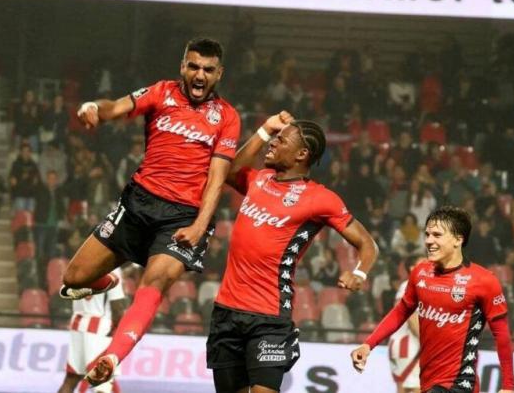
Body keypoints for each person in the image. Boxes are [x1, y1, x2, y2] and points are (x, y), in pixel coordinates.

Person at [60, 38, 241, 386]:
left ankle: (112, 356)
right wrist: (91, 107)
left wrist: (201, 225)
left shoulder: (227, 118)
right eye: (193, 66)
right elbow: (112, 107)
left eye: (207, 69)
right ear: (182, 67)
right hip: (137, 204)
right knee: (73, 279)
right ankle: (110, 280)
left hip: (182, 217)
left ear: (218, 74)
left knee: (153, 282)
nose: (199, 74)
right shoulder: (161, 92)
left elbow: (217, 179)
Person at [207, 113, 378, 393]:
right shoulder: (258, 179)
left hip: (269, 317)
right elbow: (228, 170)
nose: (272, 143)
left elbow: (367, 243)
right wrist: (264, 129)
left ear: (302, 153)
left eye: (281, 140)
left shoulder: (320, 199)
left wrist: (359, 271)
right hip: (226, 311)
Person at [351, 206, 514, 393]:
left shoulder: (484, 281)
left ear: (458, 239)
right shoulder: (420, 273)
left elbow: (501, 334)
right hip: (428, 382)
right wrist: (368, 344)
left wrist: (508, 386)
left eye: (437, 235)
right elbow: (401, 311)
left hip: (460, 382)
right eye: (427, 234)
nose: (429, 241)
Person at [58, 268, 128, 393]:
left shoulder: (80, 264)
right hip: (99, 329)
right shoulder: (113, 271)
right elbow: (117, 308)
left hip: (78, 324)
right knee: (102, 382)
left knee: (71, 379)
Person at [388, 255, 423, 393]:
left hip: (405, 344)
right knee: (416, 388)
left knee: (405, 388)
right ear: (412, 268)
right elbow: (412, 319)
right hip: (409, 345)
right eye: (424, 263)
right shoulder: (410, 285)